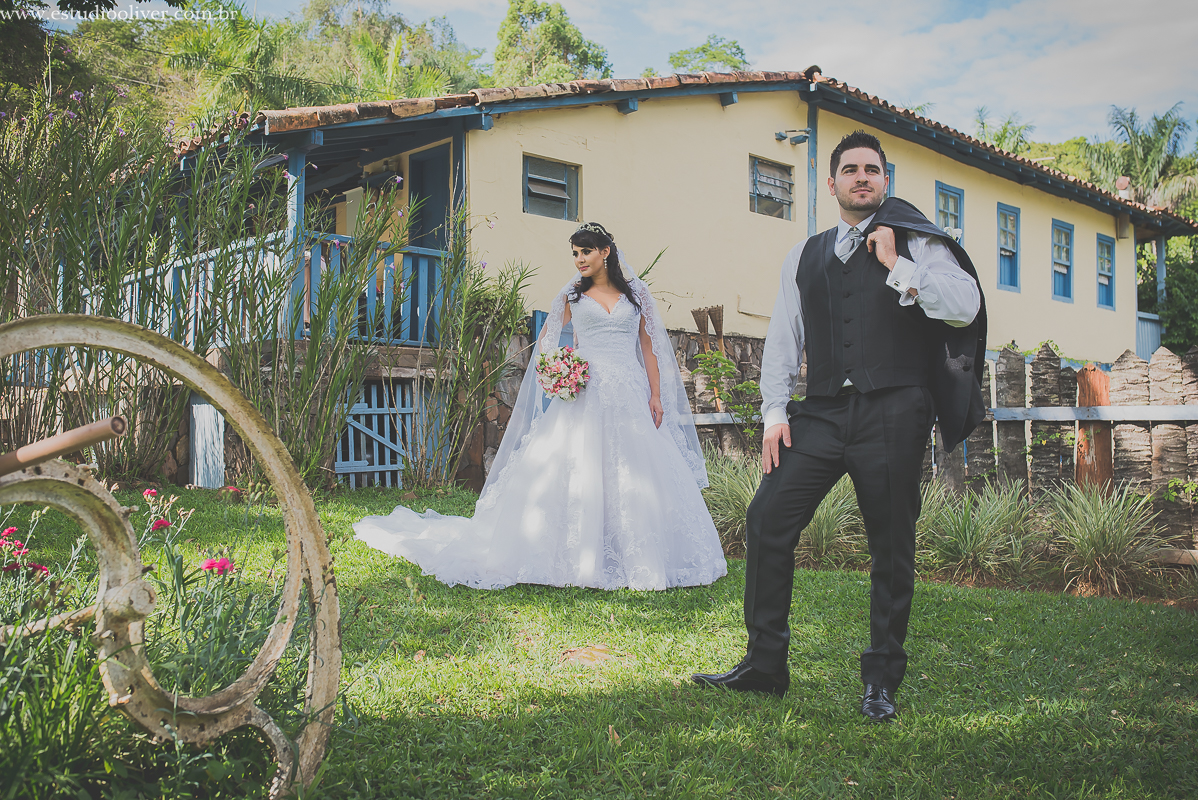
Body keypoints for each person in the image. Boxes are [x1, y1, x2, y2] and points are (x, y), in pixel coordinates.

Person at [693, 131, 985, 722]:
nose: (861, 177)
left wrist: (898, 265)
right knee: (768, 517)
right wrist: (775, 411)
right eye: (849, 169)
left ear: (885, 180)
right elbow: (784, 336)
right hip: (822, 412)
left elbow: (967, 304)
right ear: (830, 184)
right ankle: (765, 664)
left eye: (871, 170)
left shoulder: (918, 243)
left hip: (895, 411)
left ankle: (881, 680)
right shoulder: (805, 254)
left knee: (890, 544)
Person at [354, 222, 728, 591]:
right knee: (580, 465)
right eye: (575, 254)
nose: (579, 259)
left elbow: (649, 348)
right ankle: (576, 553)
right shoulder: (572, 296)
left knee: (633, 467)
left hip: (629, 390)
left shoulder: (636, 296)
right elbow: (548, 340)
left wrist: (656, 394)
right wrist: (558, 371)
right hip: (586, 390)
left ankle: (635, 552)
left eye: (586, 252)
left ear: (605, 252)